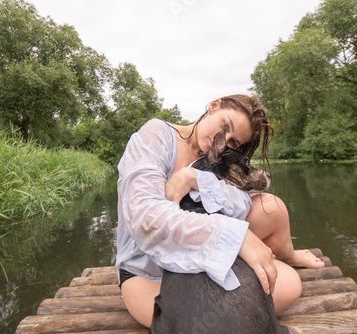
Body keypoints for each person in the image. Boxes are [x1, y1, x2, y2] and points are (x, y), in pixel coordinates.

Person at [116, 94, 324, 328]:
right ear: (214, 106)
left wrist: (193, 178)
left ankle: (288, 255)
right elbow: (145, 219)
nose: (224, 141)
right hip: (151, 268)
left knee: (274, 215)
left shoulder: (218, 153)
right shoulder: (155, 135)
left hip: (206, 245)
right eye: (226, 126)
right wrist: (236, 236)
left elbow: (241, 198)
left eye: (234, 143)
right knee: (202, 322)